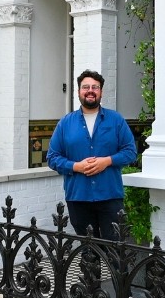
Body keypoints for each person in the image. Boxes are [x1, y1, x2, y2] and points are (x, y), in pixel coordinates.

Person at [46, 70, 137, 241]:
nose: (90, 91)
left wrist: (107, 161)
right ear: (78, 91)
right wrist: (76, 166)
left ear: (101, 91)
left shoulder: (116, 120)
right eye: (86, 87)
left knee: (115, 249)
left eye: (95, 87)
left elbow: (130, 152)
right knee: (88, 250)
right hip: (78, 196)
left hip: (110, 195)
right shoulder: (65, 123)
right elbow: (52, 157)